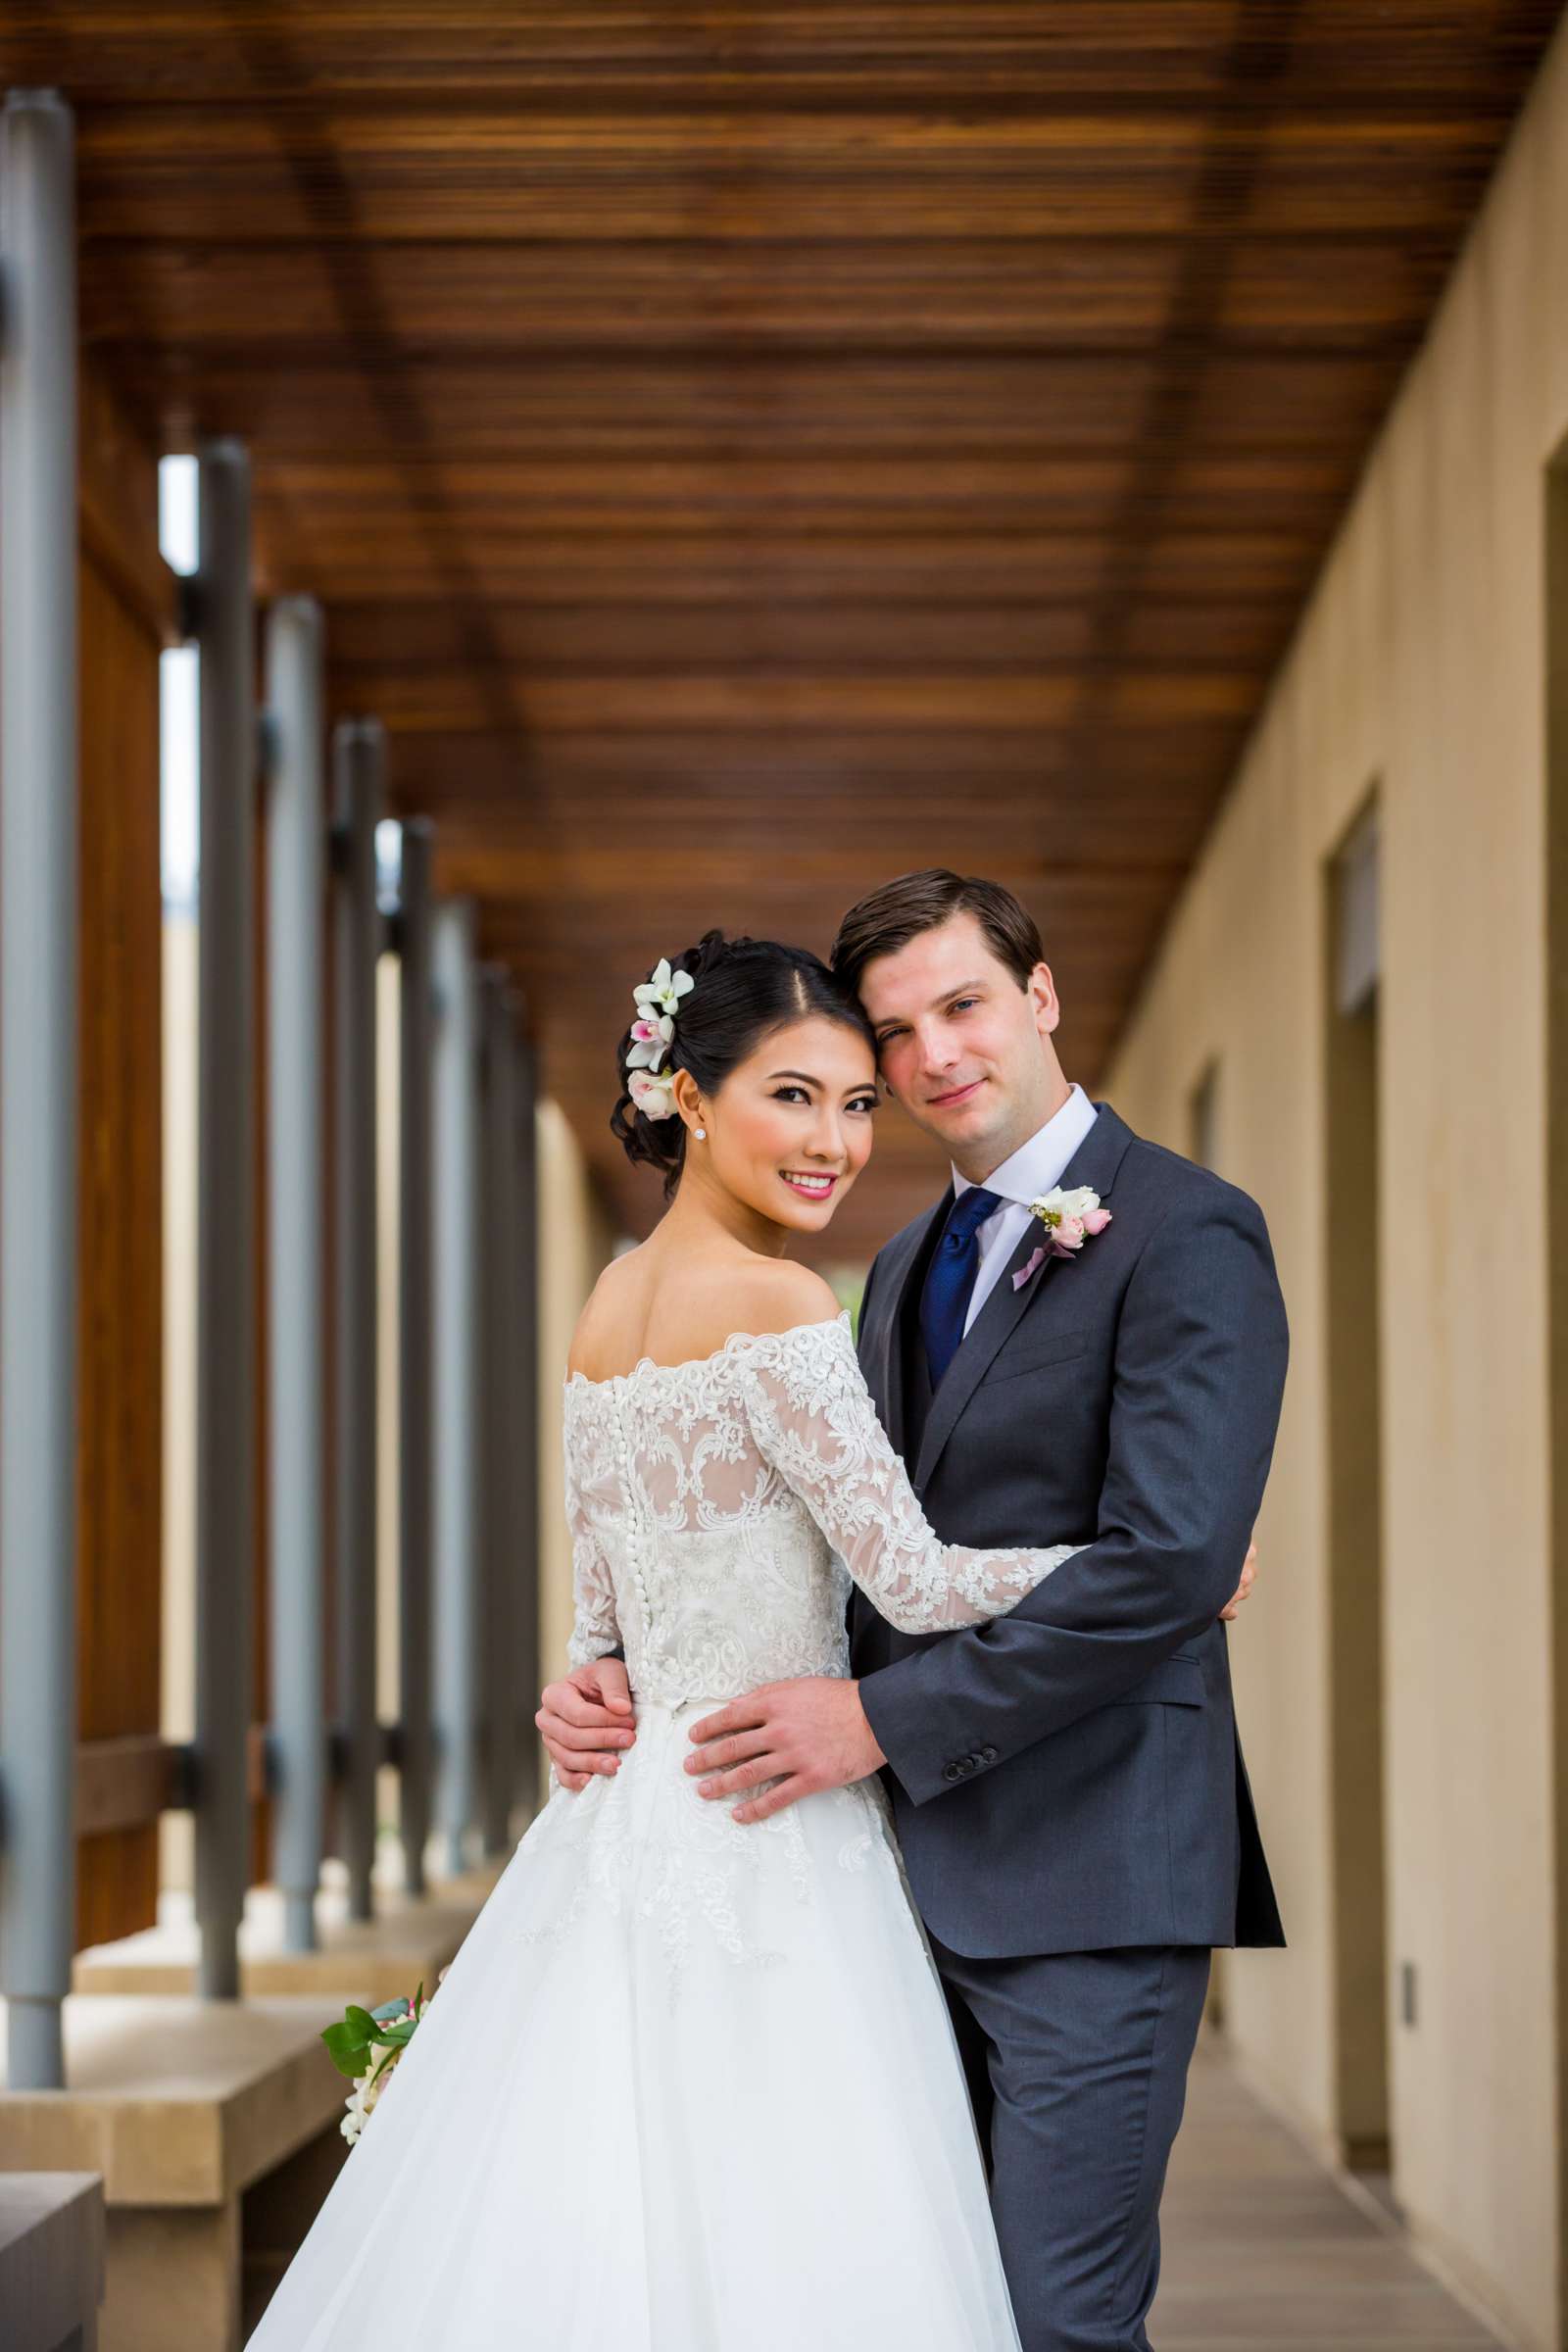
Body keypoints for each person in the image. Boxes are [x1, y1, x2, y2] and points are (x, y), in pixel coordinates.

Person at [246, 926, 1253, 2352]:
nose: (837, 1141)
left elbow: (604, 1623)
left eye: (857, 1102)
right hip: (780, 1833)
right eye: (795, 1095)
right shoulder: (789, 1304)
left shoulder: (603, 1312)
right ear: (687, 1094)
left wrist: (593, 1683)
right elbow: (907, 1581)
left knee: (631, 2229)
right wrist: (1134, 1570)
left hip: (640, 1816)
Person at [540, 874, 1289, 2352]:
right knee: (893, 2301)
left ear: (1043, 997)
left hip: (1087, 1873)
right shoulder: (885, 1272)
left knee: (1057, 2321)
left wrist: (877, 1717)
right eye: (896, 1036)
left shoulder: (1188, 1230)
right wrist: (605, 1678)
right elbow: (844, 1551)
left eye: (965, 1005)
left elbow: (1168, 1556)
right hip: (875, 1887)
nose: (934, 1056)